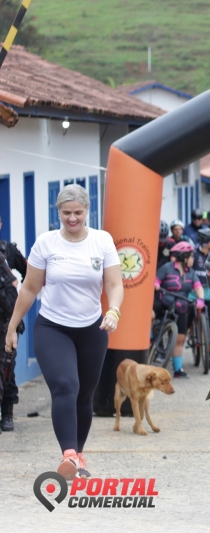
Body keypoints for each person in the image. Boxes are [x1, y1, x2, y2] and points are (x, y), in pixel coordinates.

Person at [4, 184, 122, 479]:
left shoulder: (102, 241)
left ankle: (77, 458)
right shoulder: (46, 243)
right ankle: (68, 454)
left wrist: (114, 310)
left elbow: (114, 284)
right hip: (53, 327)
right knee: (66, 386)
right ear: (58, 212)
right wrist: (12, 327)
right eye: (66, 213)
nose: (72, 218)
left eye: (77, 212)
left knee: (85, 395)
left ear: (87, 211)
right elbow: (30, 288)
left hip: (92, 328)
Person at [153, 241, 204, 378]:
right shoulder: (167, 267)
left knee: (179, 340)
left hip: (182, 306)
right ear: (184, 257)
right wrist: (156, 285)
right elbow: (156, 280)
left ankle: (178, 370)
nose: (193, 259)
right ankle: (151, 336)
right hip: (164, 302)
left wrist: (200, 299)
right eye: (191, 256)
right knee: (151, 315)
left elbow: (198, 287)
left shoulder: (191, 273)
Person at [0, 214, 26, 433]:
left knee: (7, 368)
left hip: (6, 321)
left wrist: (20, 305)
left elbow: (31, 275)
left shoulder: (8, 251)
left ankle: (7, 413)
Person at [190, 228, 210, 370]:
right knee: (191, 320)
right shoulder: (193, 254)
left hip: (208, 294)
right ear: (206, 242)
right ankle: (192, 336)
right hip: (193, 293)